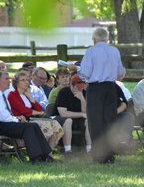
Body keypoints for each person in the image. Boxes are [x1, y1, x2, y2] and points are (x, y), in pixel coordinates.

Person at [68, 28, 123, 164]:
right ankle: (110, 155)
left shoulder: (91, 51)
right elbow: (119, 71)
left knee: (95, 122)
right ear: (107, 39)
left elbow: (85, 73)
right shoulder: (114, 51)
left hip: (95, 88)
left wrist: (75, 68)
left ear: (94, 39)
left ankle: (99, 157)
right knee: (109, 121)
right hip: (110, 87)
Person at [0, 71, 56, 165]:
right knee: (28, 127)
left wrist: (16, 118)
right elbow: (1, 116)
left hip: (3, 122)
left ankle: (46, 156)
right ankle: (35, 158)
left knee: (34, 126)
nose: (9, 81)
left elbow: (5, 114)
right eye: (6, 79)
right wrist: (17, 119)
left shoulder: (0, 93)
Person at [7, 71, 64, 159]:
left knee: (55, 125)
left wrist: (29, 95)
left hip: (33, 118)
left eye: (27, 80)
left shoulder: (26, 95)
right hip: (23, 120)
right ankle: (42, 154)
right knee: (46, 125)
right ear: (17, 83)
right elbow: (24, 110)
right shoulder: (12, 94)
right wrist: (39, 113)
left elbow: (38, 108)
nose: (26, 82)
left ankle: (49, 155)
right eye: (23, 80)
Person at [52, 74, 91, 158]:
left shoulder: (84, 93)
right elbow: (63, 113)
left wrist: (82, 100)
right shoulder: (63, 92)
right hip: (61, 119)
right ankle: (68, 151)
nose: (80, 89)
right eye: (77, 87)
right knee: (68, 120)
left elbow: (85, 113)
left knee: (89, 121)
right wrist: (81, 114)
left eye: (81, 87)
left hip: (78, 119)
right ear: (71, 85)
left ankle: (89, 150)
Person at [115, 83, 135, 150]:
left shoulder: (115, 86)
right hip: (102, 116)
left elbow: (124, 102)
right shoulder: (96, 87)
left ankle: (124, 143)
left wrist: (115, 112)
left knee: (128, 116)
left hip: (116, 114)